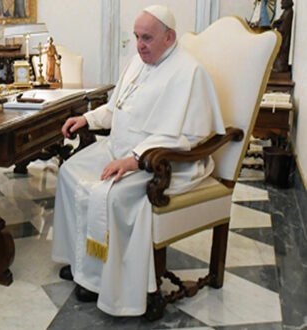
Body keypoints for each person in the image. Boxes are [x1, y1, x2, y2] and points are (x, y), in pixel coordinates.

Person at [51, 5, 225, 316]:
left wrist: (134, 160)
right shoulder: (137, 62)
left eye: (147, 38)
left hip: (164, 163)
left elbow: (189, 136)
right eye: (136, 37)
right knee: (68, 172)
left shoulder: (190, 72)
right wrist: (87, 119)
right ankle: (83, 265)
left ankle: (111, 283)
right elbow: (118, 107)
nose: (139, 45)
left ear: (169, 37)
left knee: (113, 194)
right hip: (119, 149)